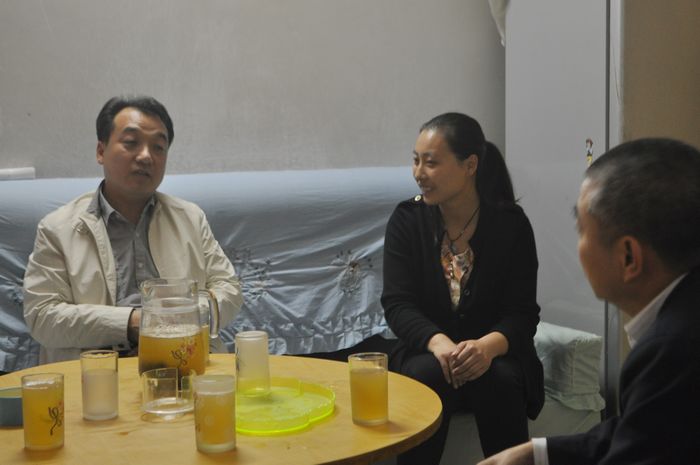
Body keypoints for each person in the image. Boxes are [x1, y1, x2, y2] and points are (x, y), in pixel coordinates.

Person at [478, 138, 700, 465]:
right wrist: (535, 453)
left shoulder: (672, 351)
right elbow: (643, 430)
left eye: (582, 230)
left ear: (628, 257)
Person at [23, 95, 243, 364]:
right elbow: (42, 317)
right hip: (97, 373)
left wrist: (181, 315)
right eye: (131, 143)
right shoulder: (57, 229)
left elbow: (229, 289)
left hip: (185, 364)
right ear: (101, 151)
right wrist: (134, 322)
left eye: (158, 147)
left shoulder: (190, 218)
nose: (146, 156)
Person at [381, 112, 544, 464]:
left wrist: (486, 347)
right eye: (415, 160)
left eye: (431, 163)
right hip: (427, 353)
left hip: (495, 355)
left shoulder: (511, 225)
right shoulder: (407, 220)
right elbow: (397, 303)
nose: (419, 173)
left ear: (470, 165)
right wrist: (439, 343)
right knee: (427, 373)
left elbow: (522, 313)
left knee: (499, 378)